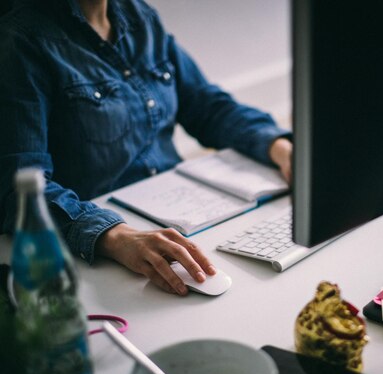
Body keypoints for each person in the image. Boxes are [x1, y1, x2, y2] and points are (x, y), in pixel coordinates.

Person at [0, 0, 293, 295]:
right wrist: (114, 236)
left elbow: (207, 106)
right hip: (102, 251)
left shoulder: (138, 15)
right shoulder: (19, 39)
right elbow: (18, 189)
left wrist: (280, 148)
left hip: (185, 219)